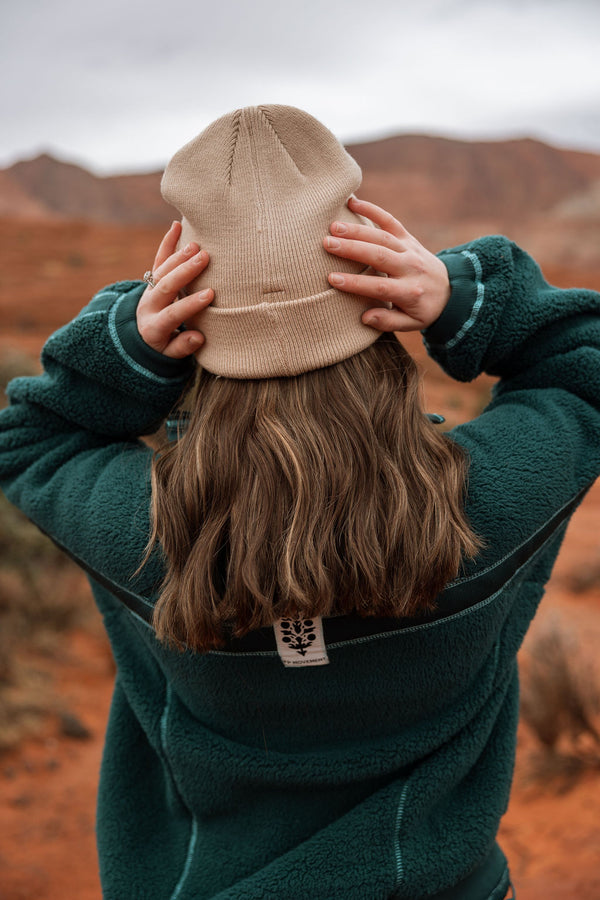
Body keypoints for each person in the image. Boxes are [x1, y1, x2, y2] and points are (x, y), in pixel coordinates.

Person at [1, 105, 599, 900]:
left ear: (193, 339)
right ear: (379, 313)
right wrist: (460, 297)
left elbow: (26, 440)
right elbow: (582, 367)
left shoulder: (147, 536)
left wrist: (128, 344)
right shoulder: (482, 503)